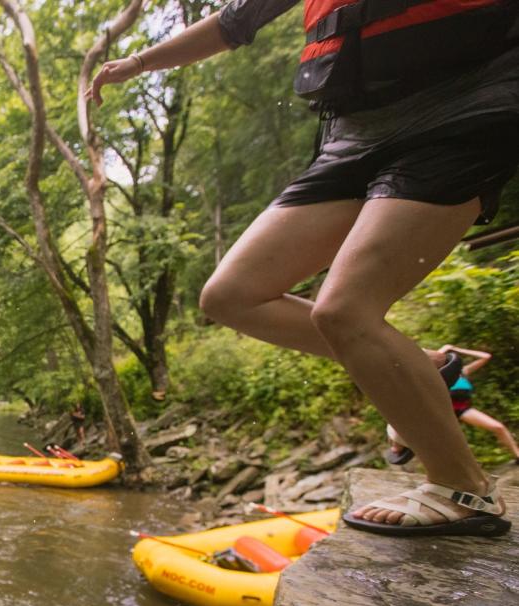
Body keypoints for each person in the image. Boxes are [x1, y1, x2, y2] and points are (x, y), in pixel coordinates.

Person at [89, 1, 518, 536]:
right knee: (230, 295)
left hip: (464, 114)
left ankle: (464, 488)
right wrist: (135, 63)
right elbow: (232, 25)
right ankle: (428, 367)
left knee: (344, 310)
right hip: (353, 139)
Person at [387, 345, 519, 465]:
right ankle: (398, 444)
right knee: (408, 433)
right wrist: (445, 350)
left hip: (462, 410)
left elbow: (486, 357)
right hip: (439, 412)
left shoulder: (464, 372)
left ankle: (517, 455)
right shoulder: (438, 374)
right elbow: (433, 360)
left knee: (498, 427)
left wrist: (456, 349)